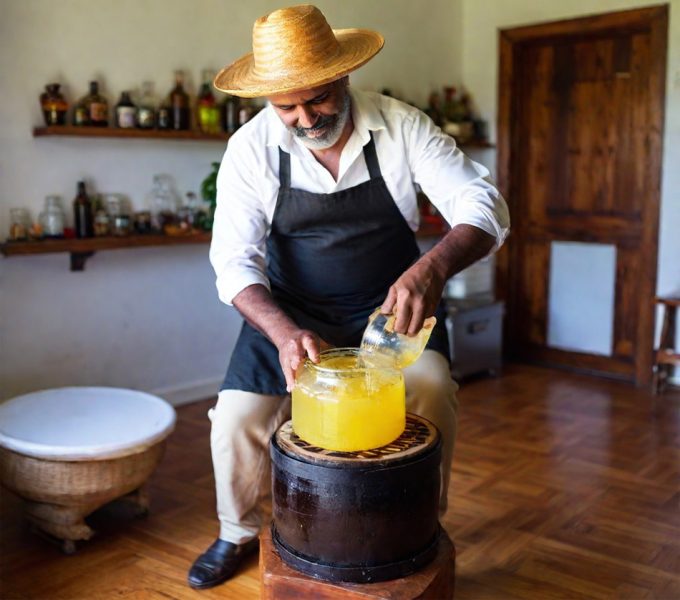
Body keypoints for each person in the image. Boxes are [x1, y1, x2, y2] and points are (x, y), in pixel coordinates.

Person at [188, 4, 510, 590]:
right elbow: (233, 263)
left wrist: (432, 270)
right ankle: (235, 531)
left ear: (344, 75)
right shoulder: (250, 149)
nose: (305, 118)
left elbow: (485, 206)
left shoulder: (402, 126)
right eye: (286, 107)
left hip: (389, 312)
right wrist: (283, 333)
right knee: (236, 418)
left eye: (317, 100)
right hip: (291, 314)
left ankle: (423, 520)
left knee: (432, 387)